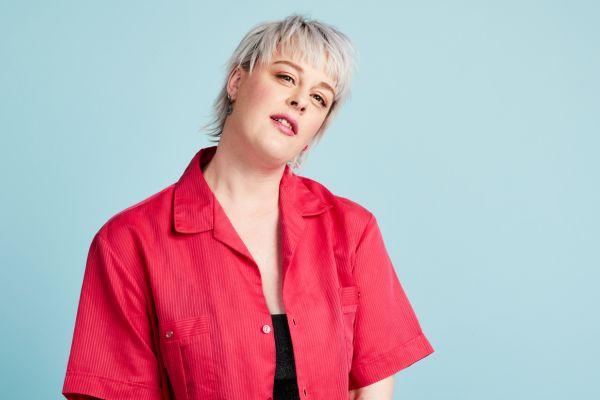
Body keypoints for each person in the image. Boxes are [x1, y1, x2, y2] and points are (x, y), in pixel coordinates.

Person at [62, 13, 434, 400]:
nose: (300, 101)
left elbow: (369, 389)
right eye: (286, 77)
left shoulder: (353, 231)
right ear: (237, 82)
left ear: (314, 131)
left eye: (319, 98)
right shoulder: (127, 243)